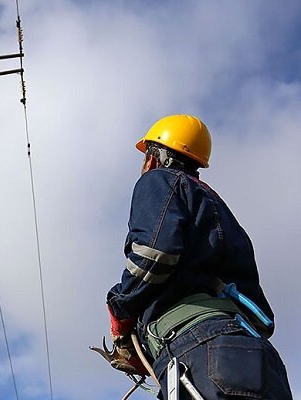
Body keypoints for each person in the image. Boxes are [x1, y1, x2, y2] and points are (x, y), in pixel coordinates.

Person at [106, 115, 292, 399]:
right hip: (261, 360)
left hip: (201, 352)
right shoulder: (220, 210)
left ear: (153, 159)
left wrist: (121, 310)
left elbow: (154, 254)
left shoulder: (158, 181)